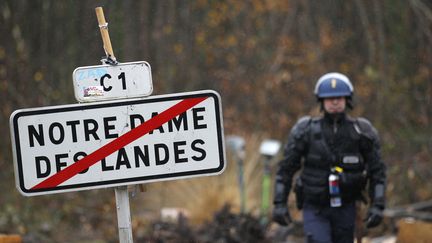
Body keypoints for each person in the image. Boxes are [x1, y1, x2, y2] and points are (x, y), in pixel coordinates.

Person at [272, 72, 386, 243]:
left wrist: (378, 205)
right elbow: (286, 169)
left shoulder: (361, 132)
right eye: (329, 98)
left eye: (339, 98)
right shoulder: (305, 131)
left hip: (347, 206)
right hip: (315, 206)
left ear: (347, 100)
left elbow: (377, 172)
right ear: (321, 101)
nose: (334, 102)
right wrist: (279, 203)